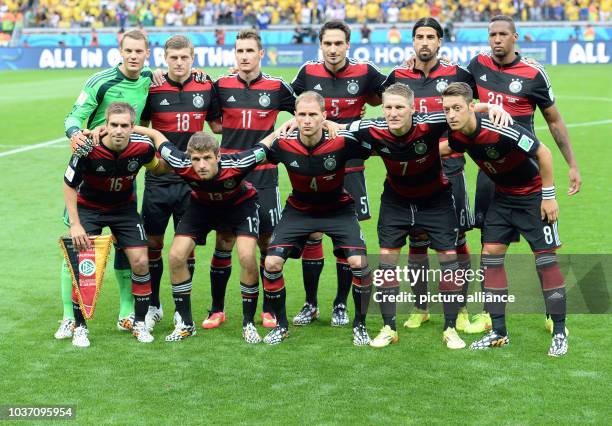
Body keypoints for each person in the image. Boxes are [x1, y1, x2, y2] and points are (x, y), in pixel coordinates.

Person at [345, 83, 510, 349]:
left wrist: (490, 106)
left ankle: (450, 328)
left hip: (436, 200)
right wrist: (298, 122)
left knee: (448, 261)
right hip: (395, 202)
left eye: (399, 107)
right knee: (387, 261)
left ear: (413, 109)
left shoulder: (430, 122)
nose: (393, 113)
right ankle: (389, 328)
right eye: (388, 107)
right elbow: (334, 128)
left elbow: (460, 112)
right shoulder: (370, 127)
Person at [466, 15, 580, 334]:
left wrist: (571, 164)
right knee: (490, 247)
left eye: (503, 34)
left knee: (543, 252)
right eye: (492, 34)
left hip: (527, 170)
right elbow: (456, 92)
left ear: (515, 37)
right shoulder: (477, 65)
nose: (497, 39)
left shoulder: (533, 73)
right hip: (489, 171)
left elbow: (554, 122)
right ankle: (493, 316)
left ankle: (552, 314)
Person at [440, 82, 568, 357]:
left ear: (471, 107)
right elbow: (439, 150)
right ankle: (499, 332)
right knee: (491, 258)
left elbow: (543, 153)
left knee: (546, 261)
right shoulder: (458, 135)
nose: (451, 114)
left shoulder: (500, 128)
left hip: (534, 197)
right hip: (503, 199)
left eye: (457, 108)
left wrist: (549, 196)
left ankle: (559, 332)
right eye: (447, 109)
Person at [134, 126, 276, 343]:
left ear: (218, 156)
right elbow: (156, 136)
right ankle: (186, 323)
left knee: (247, 257)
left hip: (240, 207)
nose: (201, 165)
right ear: (189, 157)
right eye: (196, 159)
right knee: (176, 256)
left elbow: (266, 143)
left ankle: (248, 324)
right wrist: (131, 127)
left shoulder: (238, 163)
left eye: (207, 158)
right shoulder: (181, 162)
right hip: (202, 207)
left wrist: (289, 124)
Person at [56, 29, 153, 340]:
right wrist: (77, 135)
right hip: (92, 166)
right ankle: (69, 318)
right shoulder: (102, 82)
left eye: (139, 51)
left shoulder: (150, 78)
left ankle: (127, 313)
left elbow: (171, 78)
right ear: (120, 51)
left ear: (146, 53)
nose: (134, 56)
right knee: (77, 250)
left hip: (123, 174)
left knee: (129, 250)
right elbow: (75, 115)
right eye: (129, 50)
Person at [381, 17, 477, 332]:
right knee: (416, 241)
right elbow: (382, 110)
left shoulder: (458, 74)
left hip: (449, 171)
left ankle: (461, 307)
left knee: (457, 239)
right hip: (411, 175)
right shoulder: (398, 76)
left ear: (440, 41)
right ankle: (420, 307)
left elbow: (470, 113)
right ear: (413, 41)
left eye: (431, 36)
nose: (425, 42)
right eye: (419, 36)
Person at [290, 20, 386, 328]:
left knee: (345, 241)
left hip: (351, 169)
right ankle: (310, 303)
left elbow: (396, 95)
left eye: (338, 43)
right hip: (313, 168)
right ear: (321, 45)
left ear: (348, 45)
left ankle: (341, 304)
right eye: (327, 44)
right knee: (312, 235)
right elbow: (283, 98)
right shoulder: (307, 73)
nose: (333, 49)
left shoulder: (366, 72)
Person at [261, 91, 374, 346]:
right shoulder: (283, 143)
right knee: (272, 263)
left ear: (324, 117)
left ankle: (359, 325)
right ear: (295, 117)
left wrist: (343, 127)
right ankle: (281, 326)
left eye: (313, 115)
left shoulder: (342, 141)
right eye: (302, 115)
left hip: (338, 208)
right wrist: (279, 130)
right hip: (300, 208)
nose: (307, 120)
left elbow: (375, 143)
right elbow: (259, 151)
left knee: (358, 261)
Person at [205, 29, 296, 330]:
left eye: (249, 51)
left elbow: (303, 110)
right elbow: (213, 121)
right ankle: (217, 309)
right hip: (229, 174)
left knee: (267, 241)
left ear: (261, 54)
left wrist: (285, 132)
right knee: (225, 239)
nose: (243, 56)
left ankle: (269, 310)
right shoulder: (221, 85)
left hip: (265, 174)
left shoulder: (277, 86)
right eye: (239, 51)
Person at [139, 35, 220, 331]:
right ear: (165, 59)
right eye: (173, 58)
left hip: (193, 182)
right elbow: (142, 129)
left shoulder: (205, 85)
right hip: (159, 178)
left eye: (184, 57)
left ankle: (180, 309)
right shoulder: (153, 87)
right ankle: (154, 305)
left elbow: (219, 126)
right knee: (153, 243)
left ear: (193, 57)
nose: (179, 63)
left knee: (187, 247)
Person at [64, 103, 162, 347]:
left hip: (123, 210)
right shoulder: (87, 149)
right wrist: (75, 225)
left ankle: (139, 323)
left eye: (125, 125)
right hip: (90, 209)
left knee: (140, 260)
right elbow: (68, 185)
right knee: (85, 266)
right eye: (114, 125)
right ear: (105, 126)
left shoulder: (143, 147)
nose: (119, 130)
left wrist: (182, 164)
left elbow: (157, 167)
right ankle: (80, 327)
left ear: (133, 127)